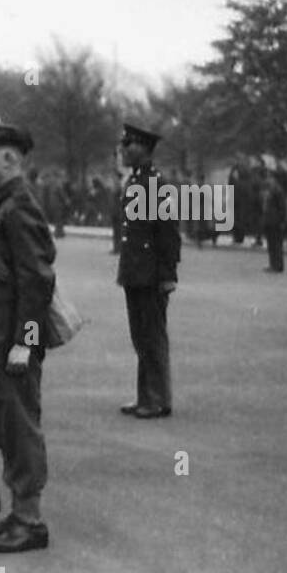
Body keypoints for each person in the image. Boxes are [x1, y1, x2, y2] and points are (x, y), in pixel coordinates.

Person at [0, 122, 55, 553]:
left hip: (11, 339)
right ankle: (17, 513)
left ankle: (30, 520)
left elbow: (36, 280)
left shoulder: (19, 206)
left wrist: (26, 341)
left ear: (10, 159)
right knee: (5, 422)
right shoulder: (1, 202)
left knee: (19, 426)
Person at [117, 123, 179, 419]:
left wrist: (168, 275)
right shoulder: (137, 182)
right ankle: (146, 395)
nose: (124, 149)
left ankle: (158, 399)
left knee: (152, 336)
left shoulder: (155, 184)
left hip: (151, 273)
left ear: (143, 148)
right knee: (141, 336)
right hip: (136, 272)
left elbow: (167, 234)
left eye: (129, 144)